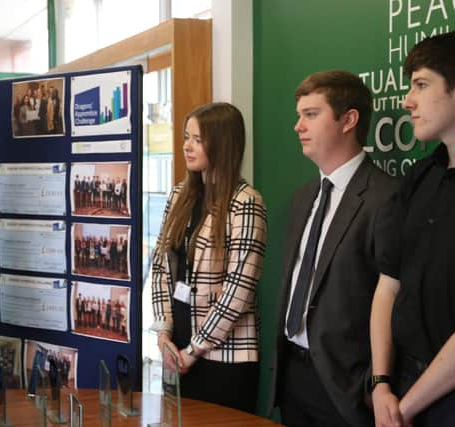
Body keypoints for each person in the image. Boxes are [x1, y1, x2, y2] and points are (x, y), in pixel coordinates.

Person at [269, 70, 397, 426]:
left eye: (311, 115)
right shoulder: (303, 198)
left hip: (346, 389)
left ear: (349, 120)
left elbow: (393, 302)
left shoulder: (386, 198)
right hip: (291, 376)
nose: (298, 126)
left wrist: (373, 382)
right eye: (300, 115)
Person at [150, 102, 267, 412]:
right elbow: (161, 267)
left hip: (223, 357)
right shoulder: (178, 195)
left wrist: (193, 350)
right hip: (175, 350)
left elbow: (237, 293)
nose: (187, 146)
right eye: (186, 137)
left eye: (197, 139)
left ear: (222, 144)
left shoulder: (246, 202)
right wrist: (163, 335)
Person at [370, 31, 455, 427]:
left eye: (422, 84)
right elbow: (389, 285)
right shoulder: (420, 177)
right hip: (400, 388)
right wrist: (382, 382)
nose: (408, 100)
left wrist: (405, 407)